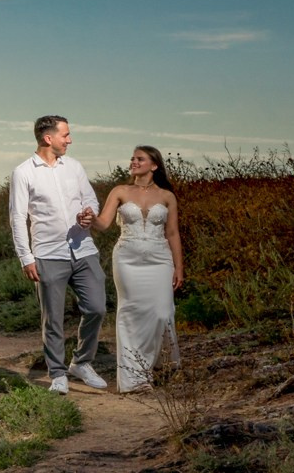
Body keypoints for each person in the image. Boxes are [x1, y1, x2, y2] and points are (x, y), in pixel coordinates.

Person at [9, 115, 107, 393]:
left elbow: (90, 199)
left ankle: (82, 363)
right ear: (47, 138)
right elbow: (17, 218)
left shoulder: (74, 167)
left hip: (84, 250)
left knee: (97, 308)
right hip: (48, 254)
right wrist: (25, 257)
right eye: (65, 134)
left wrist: (89, 213)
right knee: (52, 317)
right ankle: (58, 373)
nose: (70, 139)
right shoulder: (23, 172)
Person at [96, 145, 184, 392]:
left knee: (162, 312)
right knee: (131, 312)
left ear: (154, 165)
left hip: (160, 258)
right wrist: (91, 219)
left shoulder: (167, 196)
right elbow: (103, 223)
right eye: (132, 158)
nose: (134, 162)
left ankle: (159, 364)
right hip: (127, 259)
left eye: (140, 159)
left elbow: (173, 233)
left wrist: (179, 267)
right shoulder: (120, 191)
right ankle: (134, 378)